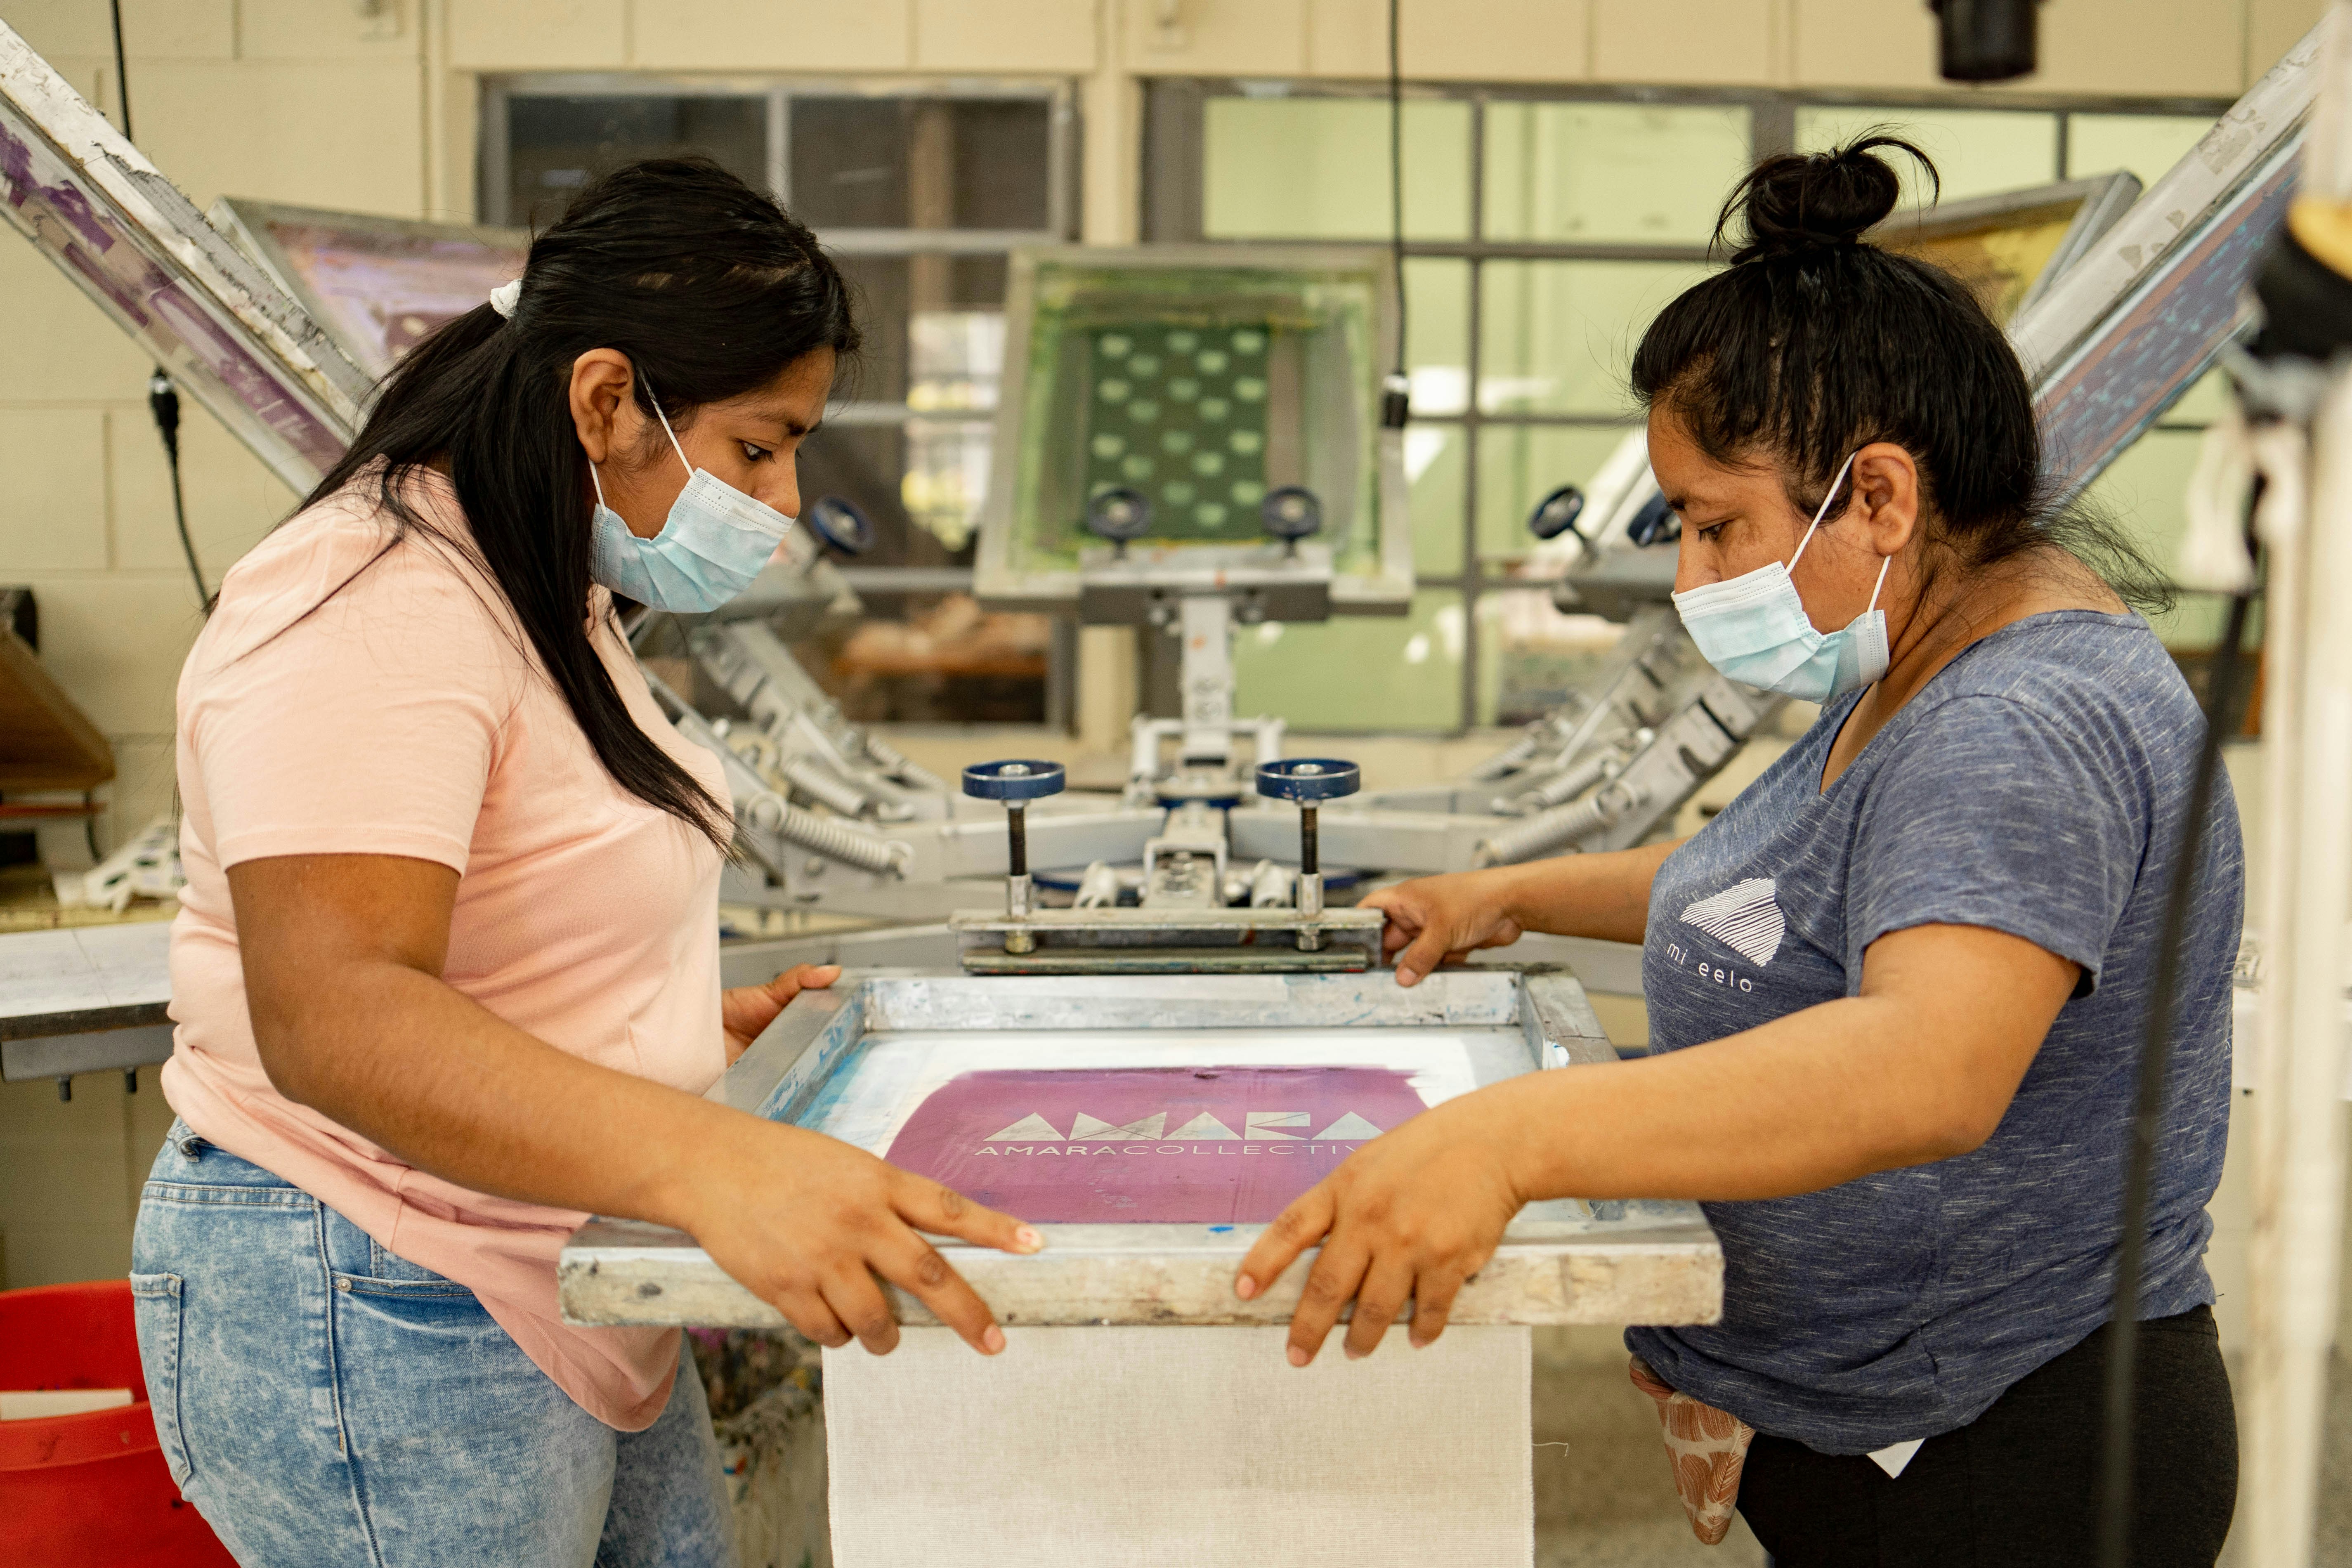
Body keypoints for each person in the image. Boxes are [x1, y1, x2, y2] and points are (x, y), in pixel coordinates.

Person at [1234, 139, 2241, 1566]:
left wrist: (1504, 1140)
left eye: (1718, 527)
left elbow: (1927, 1066)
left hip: (1998, 1451)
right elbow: (1793, 894)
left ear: (1879, 497)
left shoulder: (2019, 717)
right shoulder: (1916, 664)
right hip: (1877, 1424)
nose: (1694, 578)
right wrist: (1505, 897)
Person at [130, 159, 1037, 1566]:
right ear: (607, 402)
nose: (785, 500)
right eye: (757, 447)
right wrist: (717, 1162)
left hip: (559, 1263)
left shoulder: (542, 592)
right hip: (382, 1275)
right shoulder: (368, 597)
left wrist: (656, 1023)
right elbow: (340, 1014)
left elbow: (507, 897)